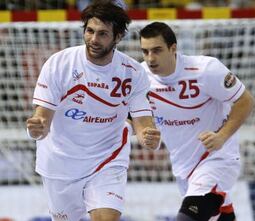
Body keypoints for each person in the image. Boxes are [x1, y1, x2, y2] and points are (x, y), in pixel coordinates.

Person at [26, 1, 160, 221]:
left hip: (107, 157)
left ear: (118, 37)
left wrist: (148, 135)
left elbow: (142, 121)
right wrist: (36, 127)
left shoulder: (133, 73)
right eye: (90, 31)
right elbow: (42, 120)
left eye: (103, 34)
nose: (93, 39)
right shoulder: (59, 63)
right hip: (61, 161)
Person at [138, 22, 255, 221]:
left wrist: (222, 136)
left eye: (157, 50)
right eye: (145, 51)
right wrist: (144, 134)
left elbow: (246, 101)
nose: (150, 58)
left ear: (173, 49)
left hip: (217, 159)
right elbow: (136, 118)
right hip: (184, 166)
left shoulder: (205, 69)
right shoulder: (140, 77)